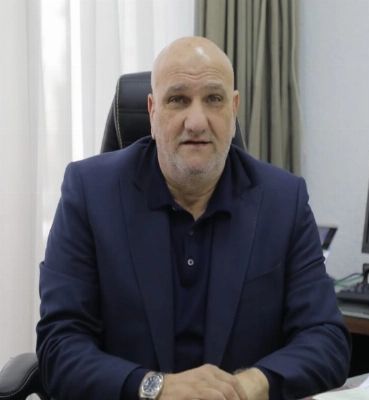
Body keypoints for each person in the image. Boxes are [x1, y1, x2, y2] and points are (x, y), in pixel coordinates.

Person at [36, 36, 351, 400]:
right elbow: (59, 347)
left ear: (233, 109)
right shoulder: (90, 193)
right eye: (178, 100)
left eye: (214, 99)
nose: (197, 121)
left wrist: (247, 385)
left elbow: (326, 339)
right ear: (152, 112)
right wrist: (156, 388)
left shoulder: (283, 200)